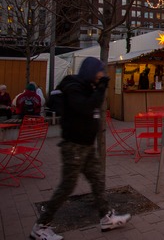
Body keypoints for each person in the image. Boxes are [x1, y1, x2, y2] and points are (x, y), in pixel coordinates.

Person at [30, 57, 130, 240]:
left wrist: (98, 88)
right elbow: (85, 107)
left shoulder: (87, 86)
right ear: (91, 71)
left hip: (86, 145)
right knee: (67, 187)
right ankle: (41, 226)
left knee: (97, 180)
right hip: (74, 146)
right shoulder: (74, 87)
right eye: (99, 71)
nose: (101, 75)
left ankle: (106, 217)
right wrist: (101, 88)